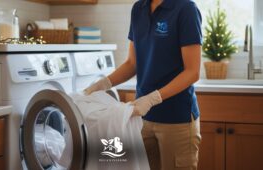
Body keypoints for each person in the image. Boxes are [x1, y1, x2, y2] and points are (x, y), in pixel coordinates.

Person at [84, 0, 202, 169]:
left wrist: (153, 98)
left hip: (177, 119)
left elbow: (192, 72)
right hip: (141, 118)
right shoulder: (138, 9)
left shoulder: (185, 8)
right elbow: (132, 63)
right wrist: (104, 83)